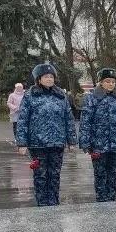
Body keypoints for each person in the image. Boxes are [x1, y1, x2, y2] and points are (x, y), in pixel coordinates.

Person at [16, 63, 77, 207]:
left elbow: (68, 118)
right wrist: (22, 143)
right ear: (38, 79)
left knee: (55, 175)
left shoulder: (61, 96)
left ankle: (54, 203)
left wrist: (72, 140)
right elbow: (23, 120)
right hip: (38, 143)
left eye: (51, 77)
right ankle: (42, 205)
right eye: (46, 77)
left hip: (57, 142)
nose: (49, 79)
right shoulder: (30, 96)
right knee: (40, 176)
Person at [79, 68, 116, 202]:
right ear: (101, 82)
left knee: (114, 174)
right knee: (100, 174)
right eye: (107, 81)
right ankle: (102, 201)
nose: (110, 84)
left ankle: (112, 199)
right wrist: (85, 142)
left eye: (113, 82)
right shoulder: (92, 98)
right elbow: (86, 121)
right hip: (98, 144)